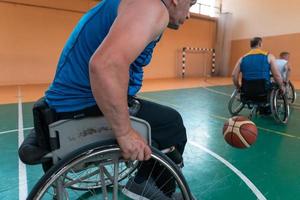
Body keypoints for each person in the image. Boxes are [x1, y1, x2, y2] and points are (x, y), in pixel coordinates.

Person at [41, 0, 196, 199]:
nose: (189, 14)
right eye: (190, 4)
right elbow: (106, 65)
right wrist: (124, 133)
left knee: (154, 119)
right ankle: (148, 187)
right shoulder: (153, 7)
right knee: (171, 124)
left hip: (61, 105)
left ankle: (148, 181)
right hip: (79, 107)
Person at [232, 37, 285, 114]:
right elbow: (276, 75)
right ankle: (267, 108)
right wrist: (281, 86)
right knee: (275, 85)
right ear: (260, 44)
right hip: (263, 91)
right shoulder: (269, 56)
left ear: (251, 45)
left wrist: (238, 87)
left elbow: (234, 75)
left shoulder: (242, 58)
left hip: (247, 90)